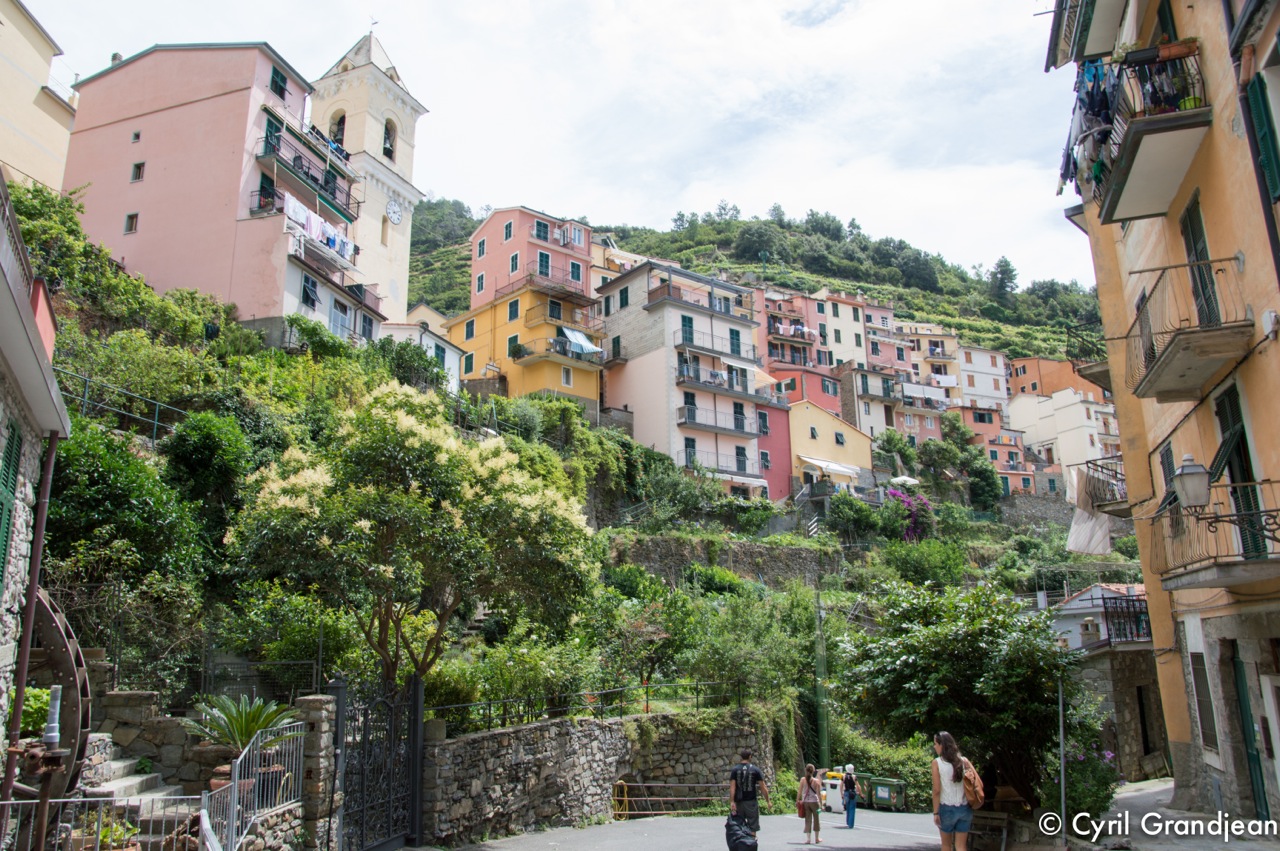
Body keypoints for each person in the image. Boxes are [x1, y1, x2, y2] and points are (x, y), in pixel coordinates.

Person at [931, 731, 974, 851]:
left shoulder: (937, 763)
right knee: (961, 846)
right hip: (965, 807)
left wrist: (935, 812)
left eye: (935, 743)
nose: (934, 746)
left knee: (946, 846)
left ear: (942, 745)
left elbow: (936, 790)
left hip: (947, 808)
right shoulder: (964, 761)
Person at [728, 748, 770, 836]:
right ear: (750, 757)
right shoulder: (755, 770)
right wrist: (768, 801)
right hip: (751, 802)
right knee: (752, 826)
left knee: (739, 825)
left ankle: (741, 845)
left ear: (741, 757)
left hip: (739, 802)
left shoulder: (735, 770)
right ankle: (751, 844)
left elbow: (732, 787)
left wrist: (732, 801)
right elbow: (763, 787)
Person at [797, 763, 822, 845]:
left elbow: (800, 791)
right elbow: (818, 794)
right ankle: (817, 838)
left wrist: (797, 800)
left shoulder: (802, 780)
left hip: (805, 803)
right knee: (816, 819)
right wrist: (821, 804)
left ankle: (808, 839)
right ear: (813, 771)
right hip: (815, 802)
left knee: (808, 820)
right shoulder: (816, 781)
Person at [841, 763, 858, 829]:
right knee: (852, 808)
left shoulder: (843, 776)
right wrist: (860, 793)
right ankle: (851, 824)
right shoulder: (854, 777)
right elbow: (858, 786)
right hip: (852, 793)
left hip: (846, 793)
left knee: (847, 807)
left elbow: (841, 785)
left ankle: (848, 822)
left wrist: (841, 794)